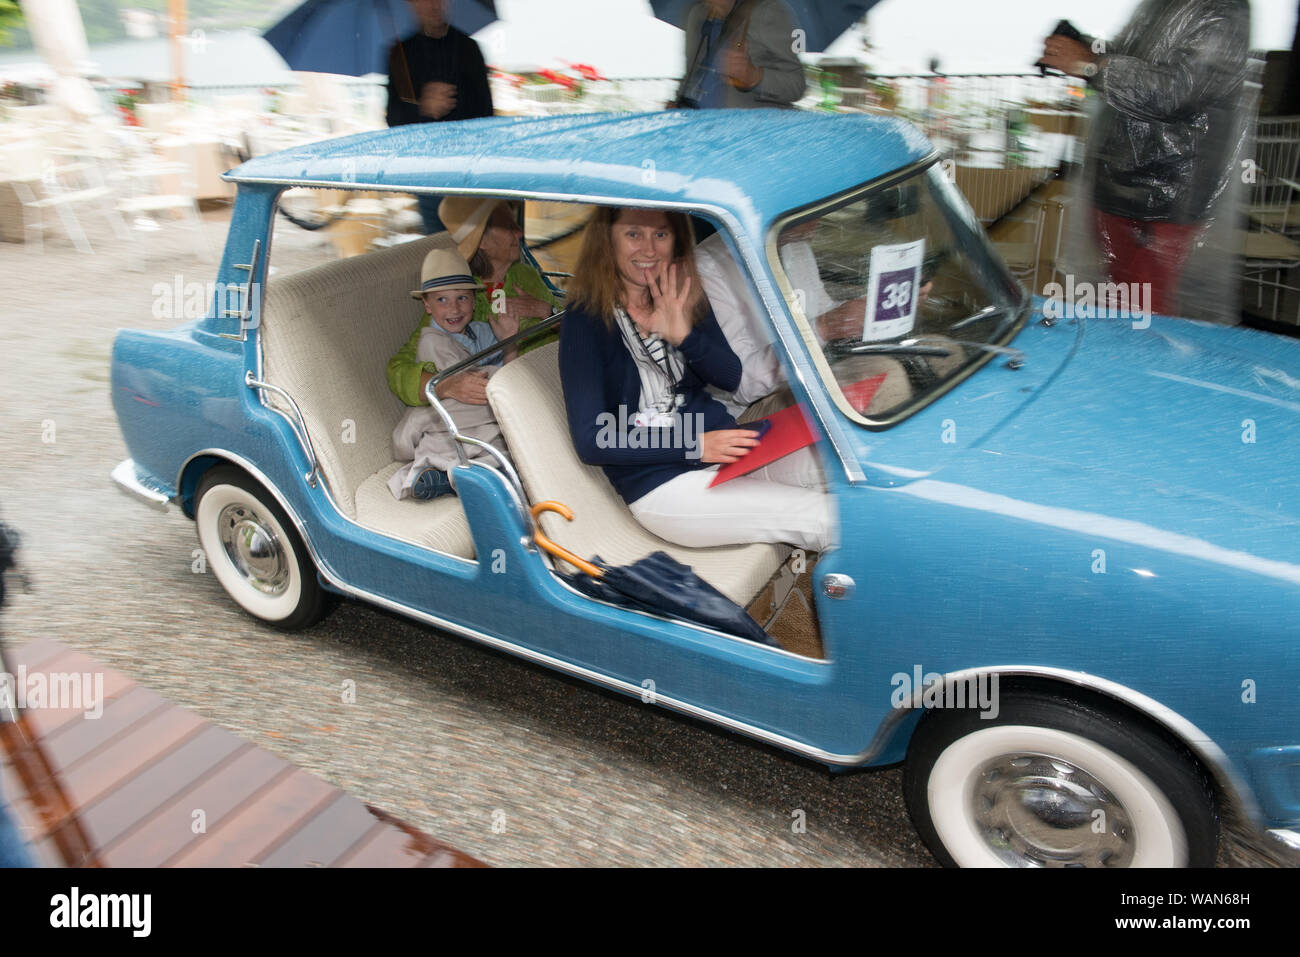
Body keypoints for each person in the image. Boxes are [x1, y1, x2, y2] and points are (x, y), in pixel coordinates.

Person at [559, 207, 834, 552]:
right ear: (607, 241)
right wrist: (697, 444)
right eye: (633, 235)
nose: (649, 249)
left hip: (732, 452)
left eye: (661, 235)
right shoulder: (585, 316)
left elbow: (730, 377)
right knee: (828, 520)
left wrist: (683, 335)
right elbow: (592, 439)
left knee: (855, 466)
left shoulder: (680, 293)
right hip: (665, 484)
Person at [1039, 0, 1250, 317]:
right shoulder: (1162, 5)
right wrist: (1083, 50)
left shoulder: (1221, 8)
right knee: (1121, 300)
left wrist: (1090, 65)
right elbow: (1139, 61)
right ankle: (1118, 361)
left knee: (1143, 314)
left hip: (1161, 196)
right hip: (1123, 185)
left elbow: (1177, 92)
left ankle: (1136, 364)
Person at [387, 197, 561, 409]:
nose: (519, 232)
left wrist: (545, 310)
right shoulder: (453, 297)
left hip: (552, 382)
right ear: (482, 242)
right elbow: (398, 369)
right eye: (509, 226)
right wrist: (444, 386)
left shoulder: (525, 276)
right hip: (512, 404)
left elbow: (575, 333)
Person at [388, 243, 517, 501]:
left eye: (462, 298)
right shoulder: (430, 340)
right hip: (457, 410)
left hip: (479, 410)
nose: (454, 309)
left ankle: (451, 476)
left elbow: (506, 378)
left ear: (473, 299)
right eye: (441, 300)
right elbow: (476, 386)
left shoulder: (483, 331)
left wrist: (509, 341)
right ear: (426, 305)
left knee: (506, 418)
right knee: (487, 417)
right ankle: (451, 472)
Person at [386, 0, 494, 233]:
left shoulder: (468, 48)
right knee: (438, 246)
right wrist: (423, 107)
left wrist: (455, 107)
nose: (433, 5)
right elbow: (393, 119)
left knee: (476, 246)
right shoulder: (400, 55)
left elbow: (486, 115)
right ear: (411, 5)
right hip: (427, 172)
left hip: (467, 171)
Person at [674, 0, 806, 110]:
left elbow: (796, 85)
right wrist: (678, 101)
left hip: (748, 134)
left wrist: (754, 77)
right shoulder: (697, 14)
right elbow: (691, 73)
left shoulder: (769, 12)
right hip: (698, 127)